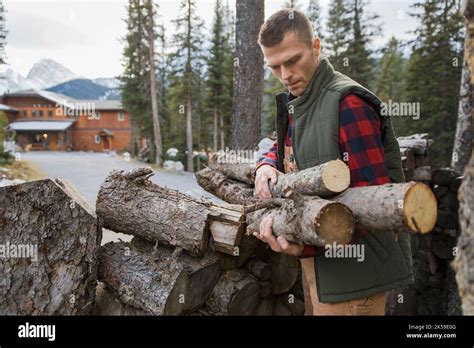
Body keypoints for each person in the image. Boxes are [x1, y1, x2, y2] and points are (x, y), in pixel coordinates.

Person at [252, 9, 414, 316]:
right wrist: (264, 165)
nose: (285, 74)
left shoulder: (348, 105)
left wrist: (303, 245)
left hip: (357, 278)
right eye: (275, 66)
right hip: (322, 267)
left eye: (293, 60)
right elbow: (281, 144)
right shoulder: (304, 100)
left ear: (316, 47)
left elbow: (371, 209)